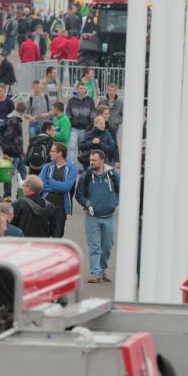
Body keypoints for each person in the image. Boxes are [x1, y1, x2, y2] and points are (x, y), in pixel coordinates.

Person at [75, 149, 119, 283]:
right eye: (90, 160)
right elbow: (79, 195)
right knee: (95, 247)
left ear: (102, 160)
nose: (91, 162)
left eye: (94, 160)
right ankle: (95, 273)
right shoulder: (86, 176)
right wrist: (87, 204)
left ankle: (102, 269)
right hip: (92, 217)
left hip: (109, 216)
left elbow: (121, 190)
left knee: (107, 246)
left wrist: (115, 202)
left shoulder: (113, 174)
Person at [39, 142, 77, 237]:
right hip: (45, 208)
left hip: (60, 210)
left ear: (60, 153)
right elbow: (40, 185)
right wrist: (58, 188)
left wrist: (50, 181)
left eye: (52, 151)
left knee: (57, 238)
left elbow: (66, 187)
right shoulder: (46, 167)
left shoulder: (72, 168)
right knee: (43, 238)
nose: (50, 153)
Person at [0, 100, 27, 200]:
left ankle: (19, 192)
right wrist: (5, 152)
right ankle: (8, 194)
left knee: (22, 172)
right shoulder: (14, 121)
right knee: (10, 174)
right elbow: (7, 136)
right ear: (23, 111)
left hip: (17, 151)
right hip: (13, 152)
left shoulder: (11, 118)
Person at [66, 82, 95, 165]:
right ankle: (71, 165)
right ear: (77, 89)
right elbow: (67, 114)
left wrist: (91, 127)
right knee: (72, 148)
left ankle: (82, 167)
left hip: (86, 129)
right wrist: (69, 125)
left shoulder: (90, 100)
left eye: (84, 88)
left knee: (84, 149)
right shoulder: (71, 101)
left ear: (86, 90)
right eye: (81, 88)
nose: (82, 90)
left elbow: (93, 114)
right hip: (74, 128)